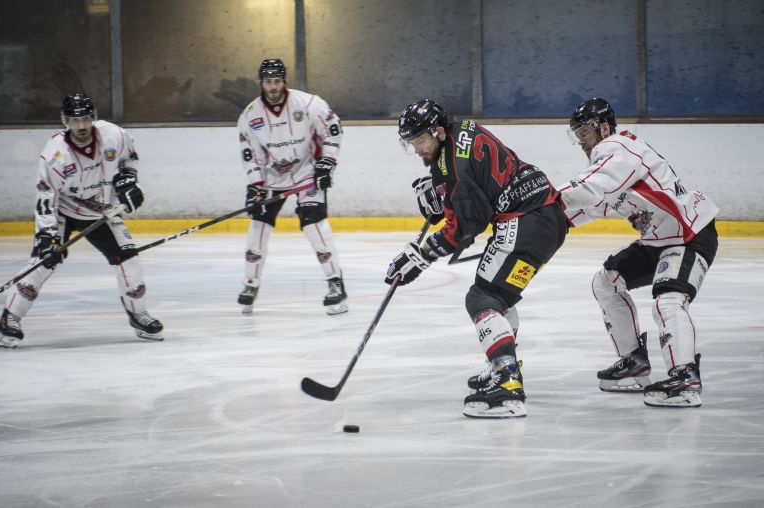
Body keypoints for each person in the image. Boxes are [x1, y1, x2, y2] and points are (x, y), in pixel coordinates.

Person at [385, 99, 568, 418]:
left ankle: (508, 382)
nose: (416, 149)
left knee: (482, 298)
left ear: (438, 131)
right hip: (546, 220)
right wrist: (445, 195)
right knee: (500, 296)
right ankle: (501, 365)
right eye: (410, 143)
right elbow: (474, 181)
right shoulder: (463, 129)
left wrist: (422, 254)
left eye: (420, 141)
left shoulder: (452, 167)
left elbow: (467, 226)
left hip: (524, 223)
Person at [559, 98, 719, 408]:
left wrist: (539, 199)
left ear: (604, 127)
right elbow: (595, 205)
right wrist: (541, 222)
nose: (580, 141)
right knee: (606, 282)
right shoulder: (609, 163)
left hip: (689, 234)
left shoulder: (617, 148)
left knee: (669, 301)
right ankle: (634, 361)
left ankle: (685, 377)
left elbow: (590, 189)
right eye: (576, 134)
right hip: (660, 239)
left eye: (584, 133)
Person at [0, 93, 163, 348]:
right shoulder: (54, 156)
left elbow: (129, 158)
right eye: (74, 120)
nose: (81, 126)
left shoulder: (113, 135)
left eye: (85, 119)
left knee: (130, 261)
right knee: (42, 263)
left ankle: (138, 314)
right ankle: (10, 318)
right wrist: (47, 237)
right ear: (65, 122)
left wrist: (128, 180)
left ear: (93, 117)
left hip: (103, 212)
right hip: (63, 211)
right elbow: (46, 197)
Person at [236, 58, 347, 315]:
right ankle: (250, 283)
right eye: (267, 82)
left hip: (308, 174)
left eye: (276, 81)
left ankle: (335, 283)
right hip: (272, 179)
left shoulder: (309, 104)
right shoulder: (250, 116)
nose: (272, 87)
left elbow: (333, 130)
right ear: (261, 83)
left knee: (314, 225)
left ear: (284, 81)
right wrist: (256, 186)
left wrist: (326, 164)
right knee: (258, 227)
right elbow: (250, 154)